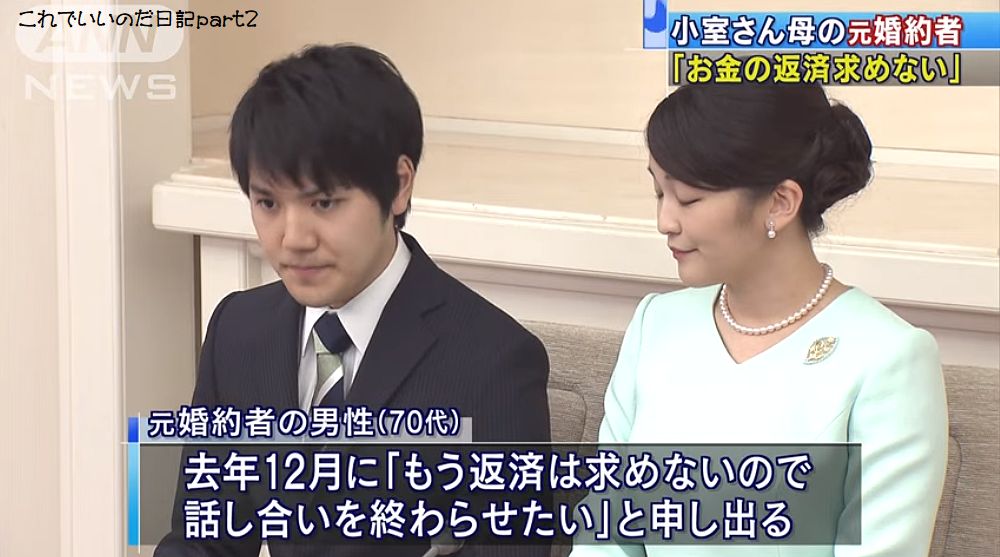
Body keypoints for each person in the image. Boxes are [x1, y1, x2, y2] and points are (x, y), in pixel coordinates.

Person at [155, 43, 551, 557]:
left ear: (399, 185)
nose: (293, 238)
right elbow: (202, 540)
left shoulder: (493, 361)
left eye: (324, 202)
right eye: (267, 202)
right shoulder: (238, 331)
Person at [570, 82, 948, 556]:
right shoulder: (657, 325)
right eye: (659, 192)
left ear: (780, 202)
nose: (665, 221)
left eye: (688, 199)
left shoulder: (888, 358)